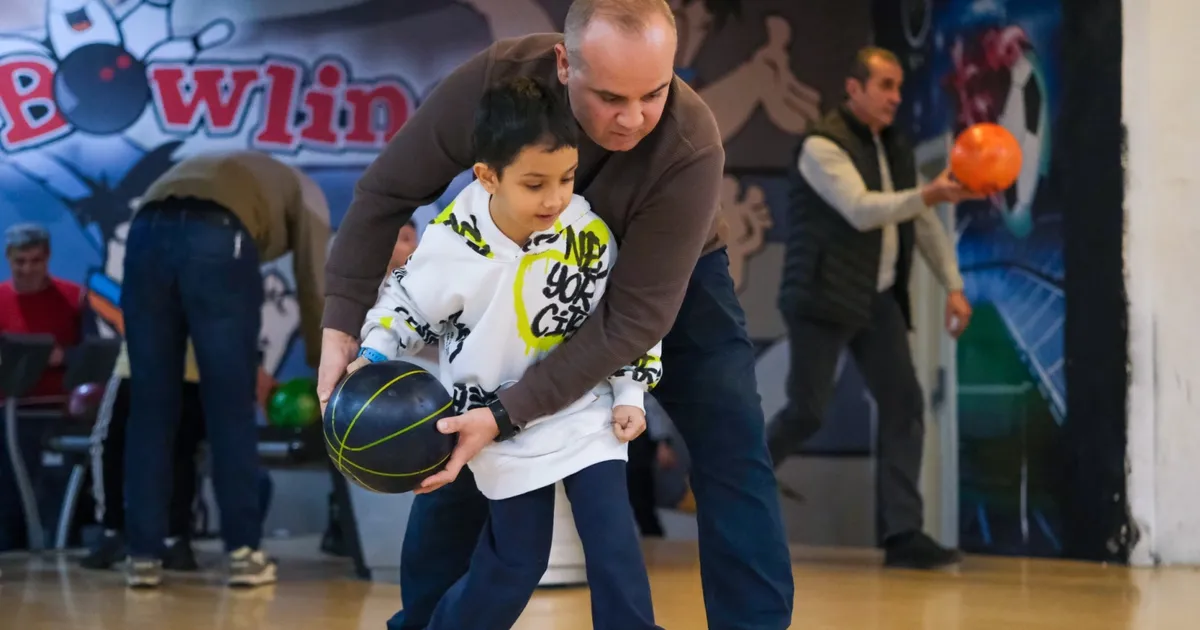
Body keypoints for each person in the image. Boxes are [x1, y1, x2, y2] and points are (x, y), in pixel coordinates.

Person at [319, 1, 795, 627]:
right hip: (515, 263)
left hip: (663, 275)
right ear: (565, 64)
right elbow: (385, 194)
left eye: (654, 93)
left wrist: (508, 413)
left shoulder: (688, 138)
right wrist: (342, 325)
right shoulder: (498, 82)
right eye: (611, 98)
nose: (634, 119)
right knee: (452, 438)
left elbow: (631, 321)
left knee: (732, 442)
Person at [346, 76, 663, 630]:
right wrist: (372, 357)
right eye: (535, 183)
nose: (556, 198)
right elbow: (402, 304)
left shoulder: (587, 233)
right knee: (519, 560)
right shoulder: (450, 244)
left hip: (586, 411)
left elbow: (626, 318)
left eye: (566, 177)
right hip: (495, 421)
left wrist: (630, 391)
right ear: (487, 176)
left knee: (614, 544)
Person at [767, 46, 980, 570]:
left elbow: (922, 218)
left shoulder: (897, 147)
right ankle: (726, 477)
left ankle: (904, 534)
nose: (896, 97)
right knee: (807, 411)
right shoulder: (822, 145)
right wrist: (926, 194)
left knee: (905, 404)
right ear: (854, 88)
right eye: (885, 85)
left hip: (876, 296)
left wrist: (952, 285)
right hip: (821, 297)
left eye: (899, 87)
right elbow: (862, 210)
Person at [120, 150, 330, 588]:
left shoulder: (236, 170)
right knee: (230, 407)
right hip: (218, 237)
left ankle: (142, 554)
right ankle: (243, 553)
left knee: (151, 407)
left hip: (144, 233)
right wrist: (324, 365)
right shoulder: (308, 192)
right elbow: (313, 282)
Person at [0, 223, 84, 553]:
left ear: (47, 258)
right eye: (20, 262)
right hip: (9, 414)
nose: (27, 269)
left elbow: (93, 352)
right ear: (9, 259)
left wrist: (63, 356)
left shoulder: (74, 298)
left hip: (59, 412)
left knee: (59, 494)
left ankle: (64, 548)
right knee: (9, 497)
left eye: (35, 261)